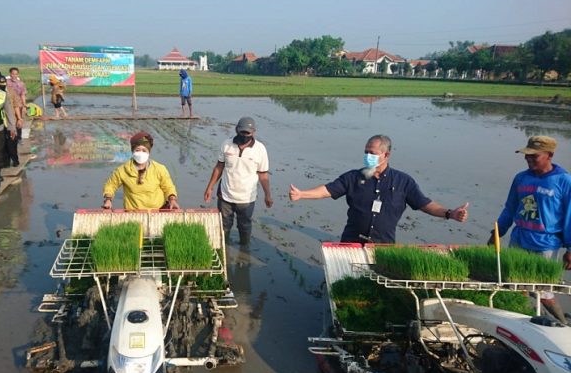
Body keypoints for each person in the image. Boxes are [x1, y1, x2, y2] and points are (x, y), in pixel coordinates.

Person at [289, 134, 469, 244]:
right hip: (351, 241)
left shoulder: (403, 182)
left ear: (386, 155)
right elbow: (328, 190)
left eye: (372, 153)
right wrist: (302, 194)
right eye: (366, 152)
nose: (367, 156)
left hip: (382, 245)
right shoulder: (354, 177)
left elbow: (426, 204)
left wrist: (450, 213)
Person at [488, 136, 571, 323]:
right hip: (519, 238)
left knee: (543, 290)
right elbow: (510, 208)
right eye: (527, 156)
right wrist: (497, 232)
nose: (529, 159)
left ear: (550, 155)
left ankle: (563, 324)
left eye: (535, 156)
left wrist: (570, 248)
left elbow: (570, 217)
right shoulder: (521, 178)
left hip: (546, 243)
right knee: (515, 285)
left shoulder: (564, 181)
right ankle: (520, 322)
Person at [203, 117, 272, 245]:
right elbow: (219, 167)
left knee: (244, 226)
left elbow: (263, 175)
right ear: (236, 130)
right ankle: (224, 249)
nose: (244, 135)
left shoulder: (260, 149)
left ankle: (244, 252)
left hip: (246, 198)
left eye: (248, 133)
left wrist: (267, 195)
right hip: (225, 195)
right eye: (242, 132)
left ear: (253, 132)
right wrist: (210, 187)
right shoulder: (227, 144)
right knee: (223, 226)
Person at [102, 132, 180, 210]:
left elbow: (168, 187)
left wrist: (172, 200)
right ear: (132, 151)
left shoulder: (159, 169)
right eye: (137, 150)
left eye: (144, 150)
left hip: (158, 211)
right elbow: (111, 185)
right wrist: (108, 200)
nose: (140, 153)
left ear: (149, 152)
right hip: (133, 213)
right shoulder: (122, 170)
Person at [4, 73, 24, 167]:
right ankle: (6, 162)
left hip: (11, 119)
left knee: (12, 142)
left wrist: (19, 118)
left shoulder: (11, 91)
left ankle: (15, 160)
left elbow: (16, 106)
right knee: (2, 144)